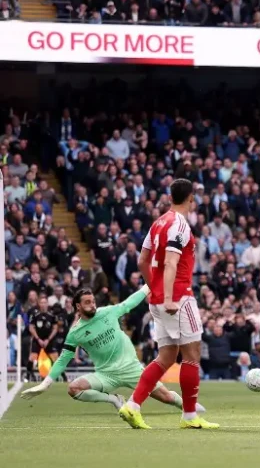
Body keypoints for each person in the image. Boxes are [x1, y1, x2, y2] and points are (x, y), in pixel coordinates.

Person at [119, 178, 218, 430]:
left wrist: (155, 290)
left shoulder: (158, 223)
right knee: (192, 354)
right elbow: (172, 262)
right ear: (191, 199)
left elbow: (143, 261)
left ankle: (133, 406)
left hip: (158, 299)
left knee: (166, 356)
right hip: (178, 297)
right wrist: (169, 296)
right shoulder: (180, 224)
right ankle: (189, 416)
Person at [20, 287, 205, 415]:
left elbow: (128, 303)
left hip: (131, 368)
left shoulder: (107, 311)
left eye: (93, 301)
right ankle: (114, 400)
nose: (92, 305)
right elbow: (62, 359)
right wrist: (46, 383)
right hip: (106, 375)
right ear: (77, 306)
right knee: (73, 388)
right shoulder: (75, 333)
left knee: (165, 397)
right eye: (87, 303)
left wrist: (148, 285)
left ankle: (190, 407)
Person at [28, 296, 61, 380]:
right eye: (41, 303)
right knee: (32, 357)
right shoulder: (35, 315)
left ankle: (61, 377)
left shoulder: (52, 315)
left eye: (44, 302)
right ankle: (29, 376)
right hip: (37, 339)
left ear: (47, 304)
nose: (43, 304)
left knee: (56, 358)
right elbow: (31, 328)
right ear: (39, 304)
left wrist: (48, 339)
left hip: (49, 340)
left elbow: (55, 328)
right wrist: (38, 339)